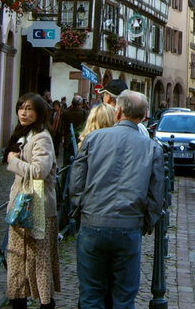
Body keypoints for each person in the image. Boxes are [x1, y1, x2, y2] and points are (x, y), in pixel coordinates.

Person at [70, 90, 165, 309]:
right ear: (144, 115)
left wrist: (82, 210)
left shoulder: (93, 139)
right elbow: (156, 195)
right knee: (124, 298)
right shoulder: (152, 148)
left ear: (118, 111)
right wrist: (144, 223)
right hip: (129, 225)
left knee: (91, 296)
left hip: (93, 222)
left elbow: (76, 183)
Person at [4, 93, 60, 309]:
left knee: (39, 260)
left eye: (29, 109)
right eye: (21, 108)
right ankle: (18, 299)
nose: (23, 113)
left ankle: (45, 302)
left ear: (39, 113)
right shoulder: (23, 134)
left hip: (38, 207)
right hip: (20, 206)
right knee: (17, 258)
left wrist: (13, 161)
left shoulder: (42, 137)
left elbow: (39, 171)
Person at [61, 94, 88, 164]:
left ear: (72, 103)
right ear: (81, 104)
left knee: (66, 161)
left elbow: (62, 126)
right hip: (79, 139)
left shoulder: (65, 112)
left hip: (68, 138)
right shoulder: (84, 113)